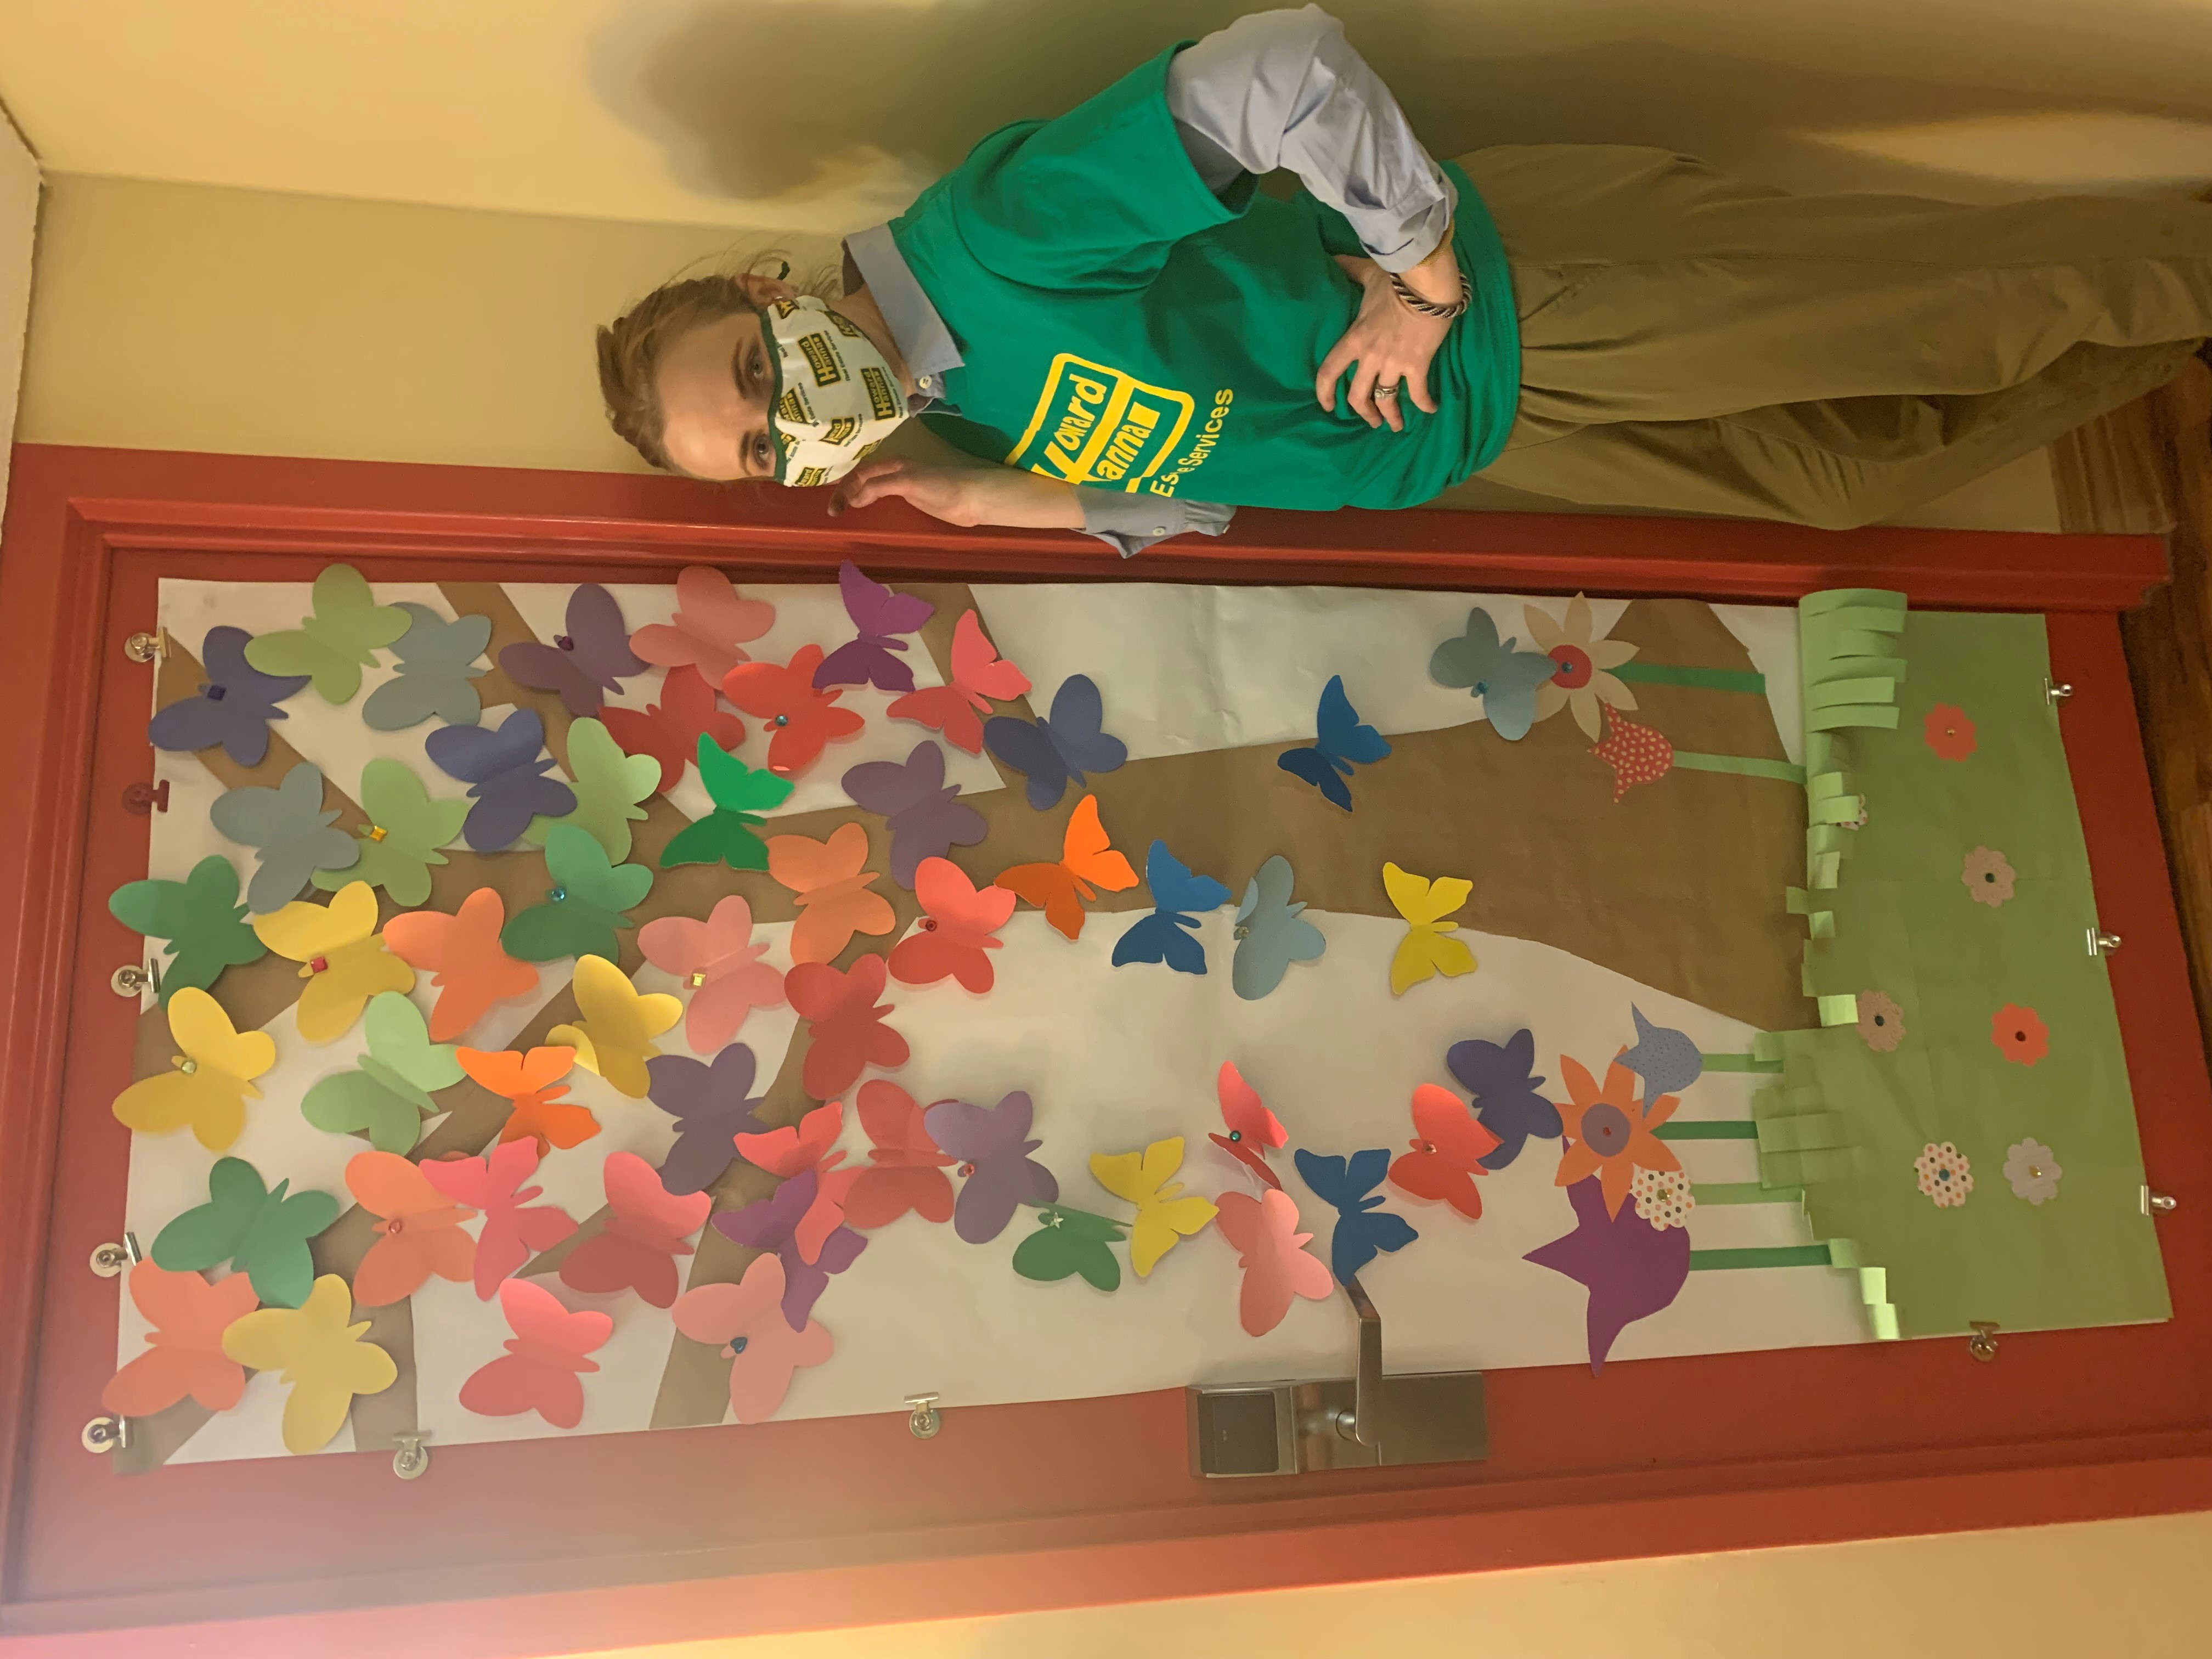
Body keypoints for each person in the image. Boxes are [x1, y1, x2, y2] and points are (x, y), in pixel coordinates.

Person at [595, 5, 2212, 554]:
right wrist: (981, 507)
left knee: (1974, 306)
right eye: (754, 449)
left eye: (748, 372)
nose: (782, 418)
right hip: (1502, 437)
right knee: (1865, 480)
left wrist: (1419, 282)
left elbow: (1278, 68)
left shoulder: (988, 239)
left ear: (766, 292)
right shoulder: (959, 416)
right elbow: (1205, 504)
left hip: (1541, 305)